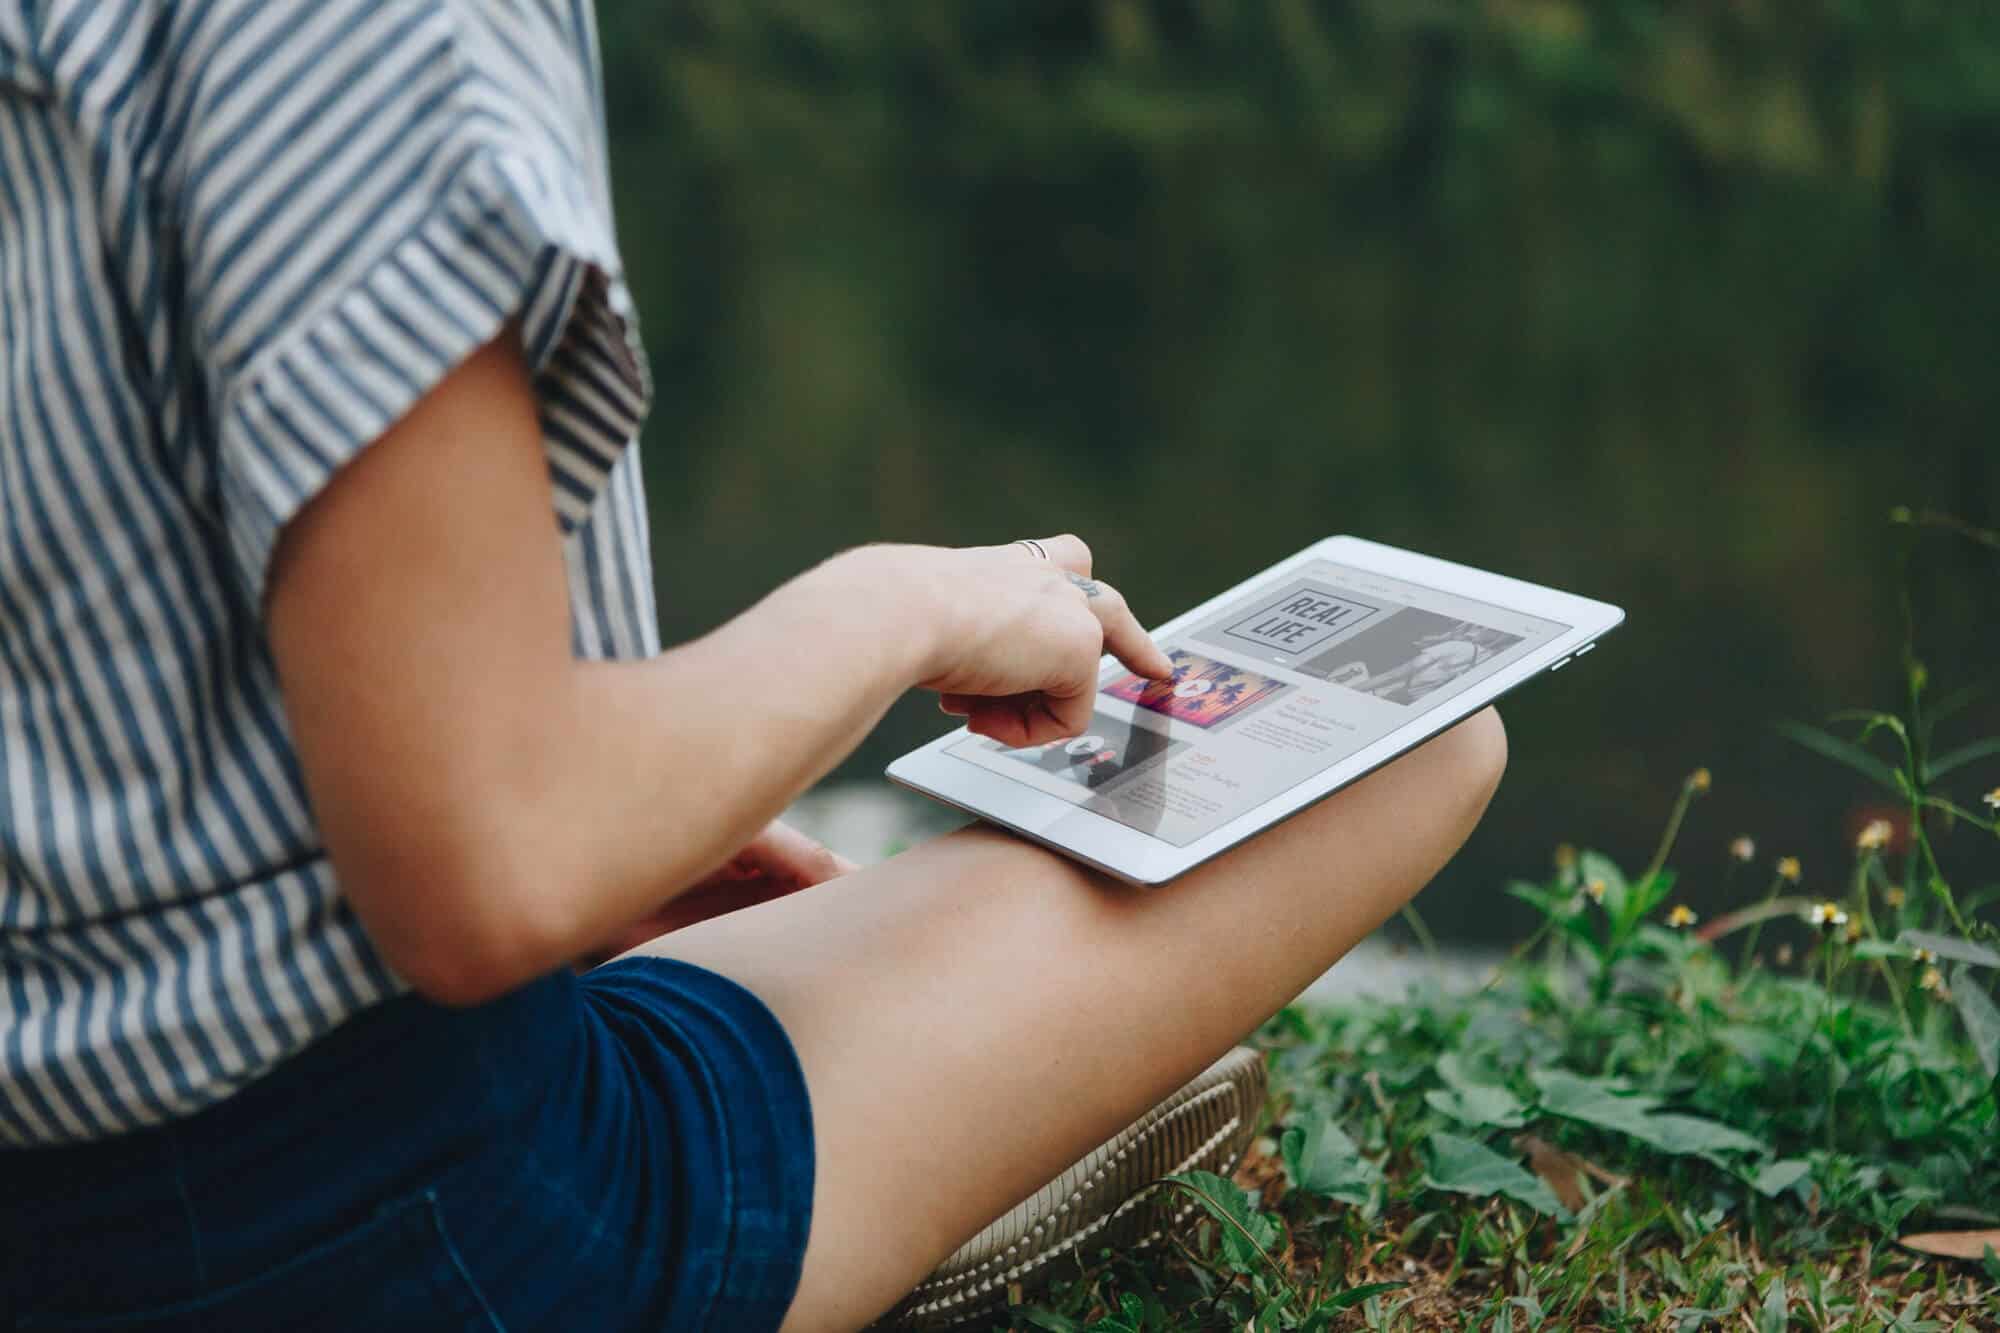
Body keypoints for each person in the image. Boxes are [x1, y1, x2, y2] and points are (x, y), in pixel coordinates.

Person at [0, 3, 1508, 1330]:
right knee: (1427, 747)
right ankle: (911, 1196)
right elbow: (487, 870)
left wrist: (621, 830)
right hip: (380, 1225)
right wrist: (907, 604)